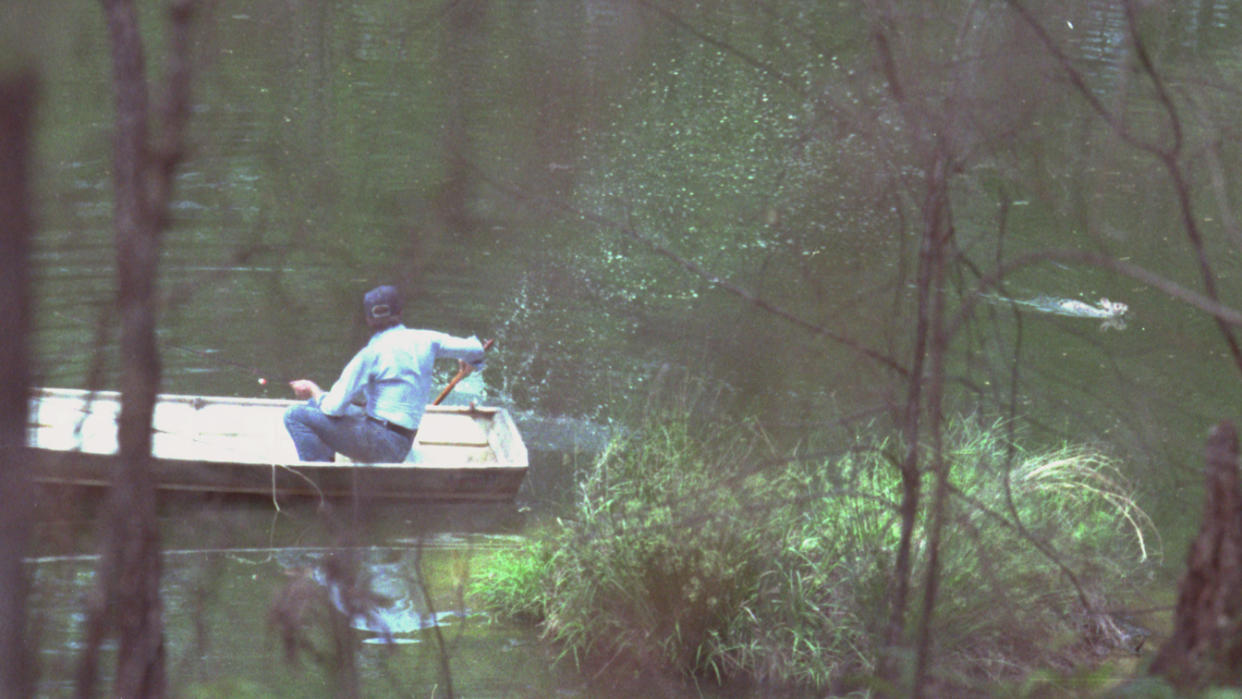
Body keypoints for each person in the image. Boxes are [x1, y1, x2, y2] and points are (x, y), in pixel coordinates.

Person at [283, 285, 487, 463]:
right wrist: (470, 361)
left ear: (368, 319)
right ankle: (326, 463)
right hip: (403, 442)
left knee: (295, 416)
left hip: (382, 446)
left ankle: (322, 484)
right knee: (313, 408)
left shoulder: (369, 355)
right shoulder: (428, 340)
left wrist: (312, 388)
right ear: (400, 312)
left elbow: (333, 409)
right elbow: (476, 349)